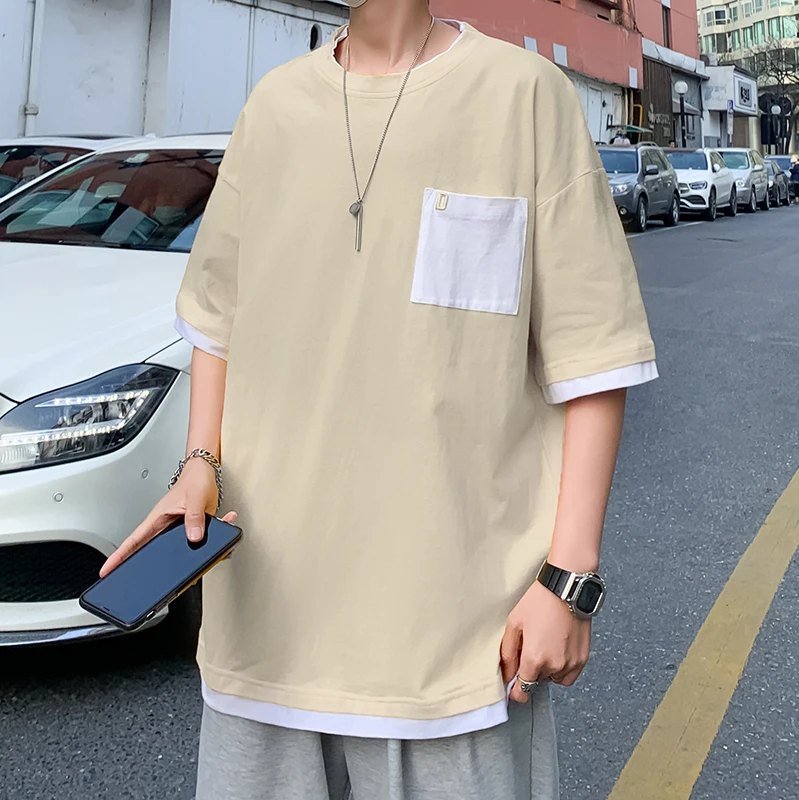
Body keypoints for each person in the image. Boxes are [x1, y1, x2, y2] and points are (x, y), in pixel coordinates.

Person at [102, 1, 657, 797]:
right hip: (263, 634)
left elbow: (593, 357)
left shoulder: (524, 97)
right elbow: (218, 324)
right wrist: (199, 464)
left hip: (457, 650)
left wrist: (569, 581)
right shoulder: (274, 107)